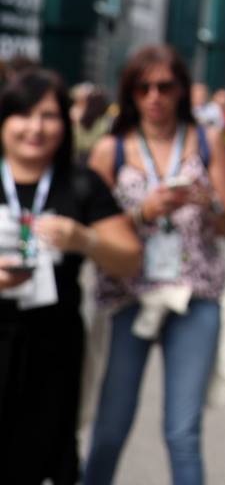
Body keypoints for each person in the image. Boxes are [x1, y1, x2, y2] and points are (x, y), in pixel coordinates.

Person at [84, 44, 225, 485]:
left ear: (181, 90)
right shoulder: (110, 150)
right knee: (110, 429)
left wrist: (208, 202)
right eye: (143, 87)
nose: (154, 96)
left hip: (194, 294)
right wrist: (142, 213)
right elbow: (95, 232)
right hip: (127, 295)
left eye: (165, 86)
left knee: (182, 433)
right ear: (130, 92)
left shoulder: (207, 142)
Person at [0, 68, 140, 485]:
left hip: (53, 348)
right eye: (23, 114)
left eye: (48, 116)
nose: (35, 128)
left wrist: (85, 239)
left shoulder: (80, 183)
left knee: (45, 458)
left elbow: (130, 260)